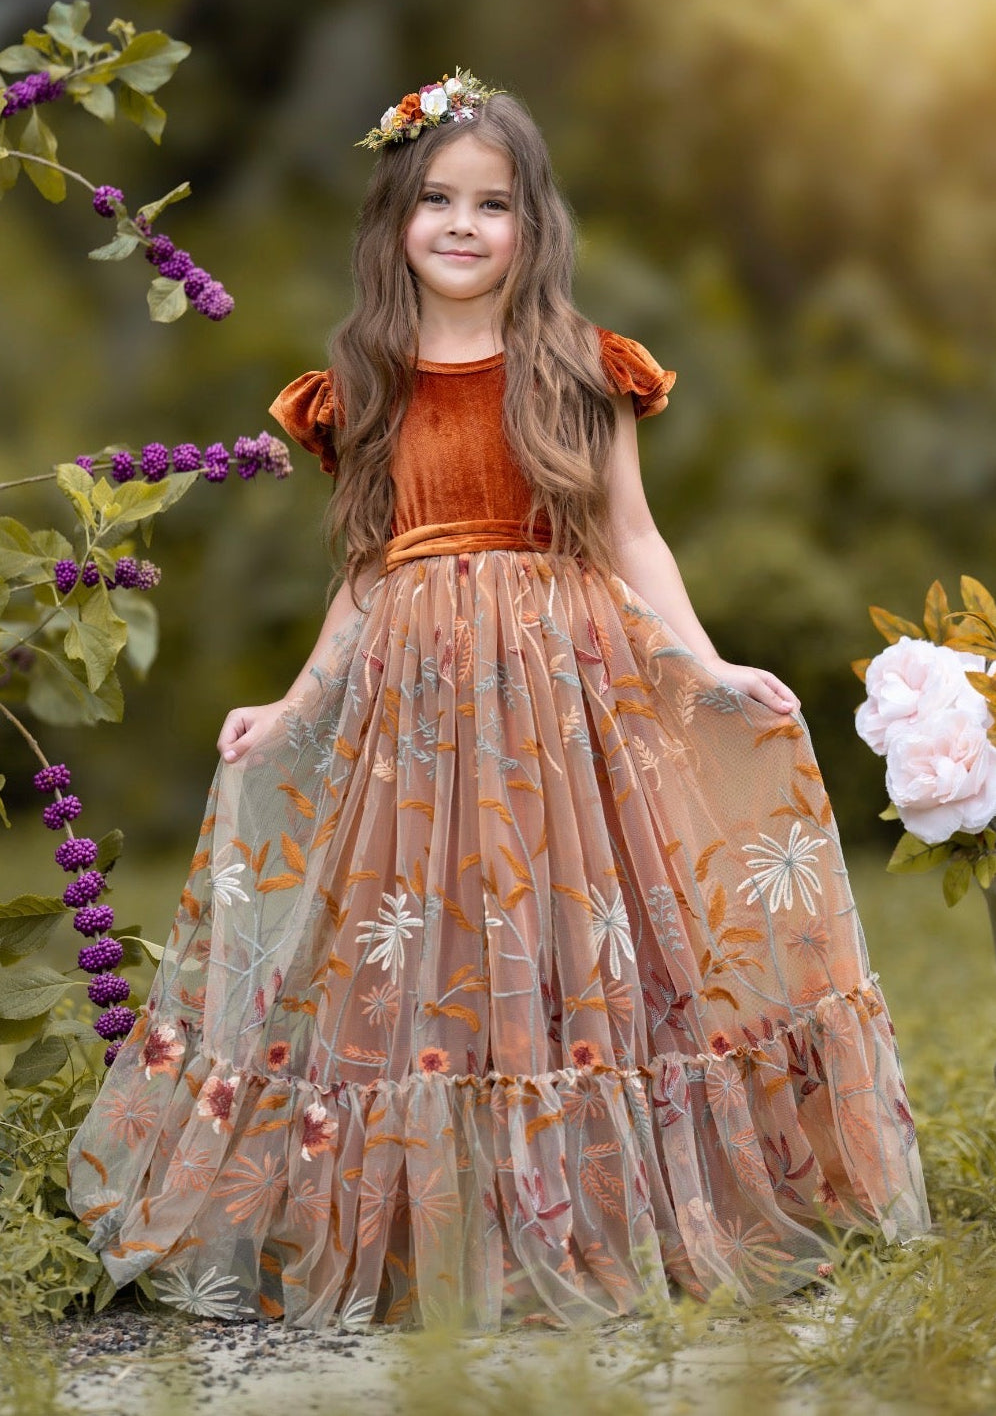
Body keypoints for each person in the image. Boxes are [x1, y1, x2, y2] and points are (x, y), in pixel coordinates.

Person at [66, 69, 930, 1331]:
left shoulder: (581, 367)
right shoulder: (363, 381)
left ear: (535, 227)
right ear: (394, 220)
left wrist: (706, 662)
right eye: (437, 201)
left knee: (580, 937)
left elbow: (633, 540)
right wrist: (294, 705)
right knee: (426, 945)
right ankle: (431, 1220)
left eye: (494, 204)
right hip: (414, 717)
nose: (463, 226)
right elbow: (365, 572)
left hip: (565, 702)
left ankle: (592, 1207)